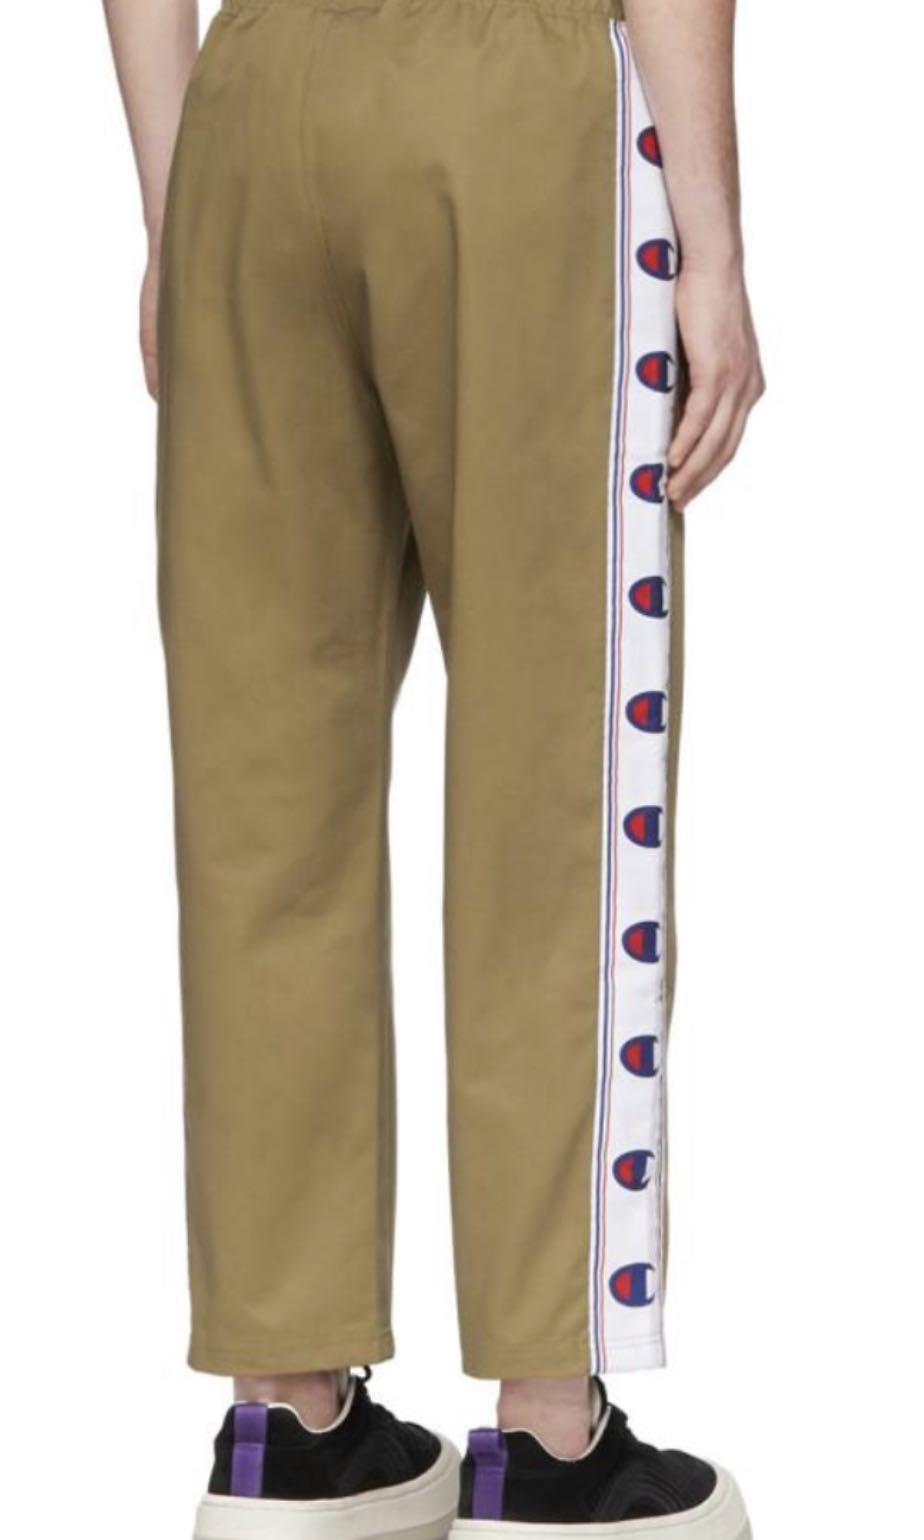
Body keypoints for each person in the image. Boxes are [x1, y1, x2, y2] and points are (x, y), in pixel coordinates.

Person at [104, 0, 763, 1536]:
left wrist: (179, 200)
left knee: (264, 796)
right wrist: (714, 250)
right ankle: (549, 1432)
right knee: (553, 774)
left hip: (251, 113)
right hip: (514, 101)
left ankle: (287, 1420)